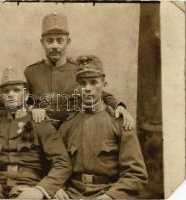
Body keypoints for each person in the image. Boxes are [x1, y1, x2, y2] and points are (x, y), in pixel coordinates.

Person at [0, 66, 71, 199]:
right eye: (6, 91)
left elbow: (62, 163)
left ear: (26, 95)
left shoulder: (38, 122)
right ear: (1, 96)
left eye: (16, 90)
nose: (10, 95)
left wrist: (41, 189)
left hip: (27, 186)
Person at [54, 56, 148, 199]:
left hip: (107, 192)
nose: (88, 89)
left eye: (93, 82)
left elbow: (136, 175)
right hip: (73, 194)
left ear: (104, 84)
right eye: (83, 83)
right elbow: (57, 166)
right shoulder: (68, 125)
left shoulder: (119, 123)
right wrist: (58, 188)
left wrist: (110, 196)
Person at [24, 12, 134, 130]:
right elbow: (21, 101)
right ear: (42, 42)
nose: (54, 46)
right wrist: (32, 108)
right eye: (49, 41)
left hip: (73, 131)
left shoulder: (78, 70)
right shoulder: (31, 72)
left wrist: (119, 106)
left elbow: (100, 93)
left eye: (60, 41)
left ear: (68, 42)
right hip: (42, 133)